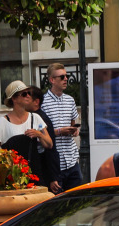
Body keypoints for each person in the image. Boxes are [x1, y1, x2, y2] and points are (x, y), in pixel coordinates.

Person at [0, 80, 52, 185]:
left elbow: (49, 144)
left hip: (34, 174)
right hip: (13, 176)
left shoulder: (35, 118)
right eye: (24, 94)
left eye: (29, 93)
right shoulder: (4, 121)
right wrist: (8, 157)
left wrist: (39, 134)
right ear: (14, 99)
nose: (28, 96)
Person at [39, 63, 84, 192]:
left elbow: (72, 124)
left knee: (75, 202)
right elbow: (40, 133)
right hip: (54, 163)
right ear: (52, 80)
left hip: (71, 160)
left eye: (66, 76)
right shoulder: (42, 102)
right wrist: (59, 131)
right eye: (62, 76)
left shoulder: (70, 100)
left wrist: (74, 130)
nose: (66, 79)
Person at [26, 86, 61, 190]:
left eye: (27, 97)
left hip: (44, 172)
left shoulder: (41, 118)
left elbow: (51, 148)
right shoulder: (29, 116)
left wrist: (53, 178)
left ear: (36, 102)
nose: (24, 99)